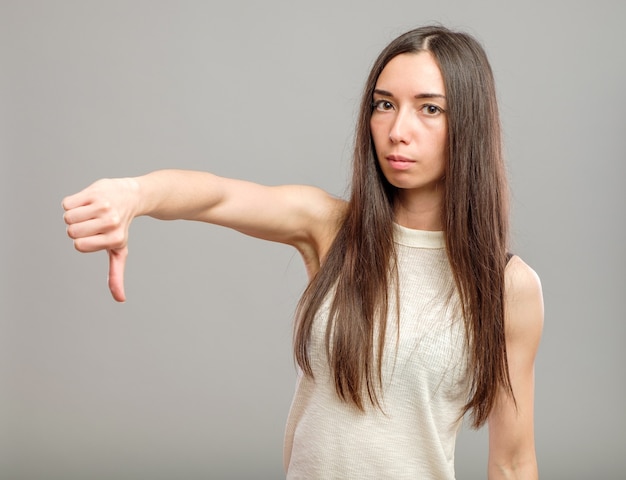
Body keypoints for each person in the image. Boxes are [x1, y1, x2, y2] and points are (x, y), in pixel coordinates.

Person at [62, 25, 544, 479]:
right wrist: (133, 194)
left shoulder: (507, 286)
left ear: (470, 124)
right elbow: (216, 196)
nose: (398, 130)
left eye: (429, 109)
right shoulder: (330, 228)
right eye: (383, 104)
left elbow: (513, 463)